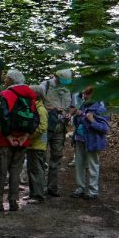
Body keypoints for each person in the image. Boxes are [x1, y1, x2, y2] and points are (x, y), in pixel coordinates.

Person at [0, 70, 37, 212]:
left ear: (10, 80)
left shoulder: (6, 95)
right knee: (16, 171)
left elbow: (1, 117)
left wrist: (8, 136)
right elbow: (35, 118)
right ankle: (13, 201)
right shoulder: (31, 96)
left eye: (6, 78)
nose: (4, 80)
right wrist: (26, 136)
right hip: (22, 140)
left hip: (4, 140)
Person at [38, 68, 75, 198]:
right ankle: (39, 188)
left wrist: (69, 114)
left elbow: (73, 105)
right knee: (40, 156)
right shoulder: (45, 85)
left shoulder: (70, 87)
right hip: (45, 126)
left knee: (57, 156)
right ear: (56, 77)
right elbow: (36, 103)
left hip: (60, 127)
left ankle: (52, 187)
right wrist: (52, 109)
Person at [72, 86, 109, 200]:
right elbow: (78, 123)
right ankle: (80, 188)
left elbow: (105, 128)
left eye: (87, 94)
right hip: (79, 139)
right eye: (84, 94)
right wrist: (77, 116)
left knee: (92, 165)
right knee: (79, 165)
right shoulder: (83, 106)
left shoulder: (100, 109)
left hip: (92, 142)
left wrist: (92, 121)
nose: (85, 96)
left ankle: (92, 190)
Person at [26, 84, 50, 202]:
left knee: (37, 169)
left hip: (37, 144)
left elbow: (42, 127)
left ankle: (38, 195)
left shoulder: (41, 109)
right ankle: (33, 193)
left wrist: (29, 136)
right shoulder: (35, 107)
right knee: (32, 169)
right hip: (32, 144)